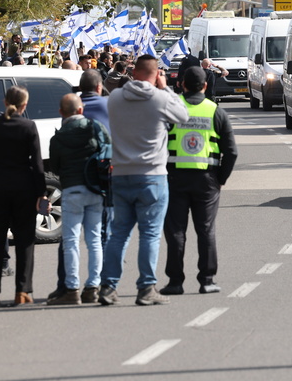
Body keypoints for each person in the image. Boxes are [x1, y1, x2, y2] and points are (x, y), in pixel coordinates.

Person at [100, 55, 188, 306]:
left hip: (120, 174)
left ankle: (108, 286)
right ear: (156, 73)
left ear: (134, 72)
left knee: (118, 235)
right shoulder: (160, 98)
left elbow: (114, 87)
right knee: (149, 235)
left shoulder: (115, 98)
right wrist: (165, 87)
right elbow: (182, 115)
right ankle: (146, 287)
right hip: (152, 175)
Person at [161, 67, 238, 296]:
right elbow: (231, 152)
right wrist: (220, 179)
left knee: (176, 232)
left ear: (182, 84)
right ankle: (207, 280)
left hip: (174, 178)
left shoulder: (172, 109)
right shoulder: (216, 111)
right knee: (206, 231)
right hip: (207, 180)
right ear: (205, 86)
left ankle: (175, 282)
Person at [47, 94, 110, 305]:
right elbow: (108, 150)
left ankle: (71, 289)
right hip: (95, 189)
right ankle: (93, 286)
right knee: (94, 240)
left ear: (61, 113)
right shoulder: (95, 128)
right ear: (81, 110)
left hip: (72, 191)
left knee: (71, 241)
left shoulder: (57, 138)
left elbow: (55, 167)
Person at [0, 86, 48, 306]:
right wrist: (42, 193)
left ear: (5, 102)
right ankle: (23, 291)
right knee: (25, 240)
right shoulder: (28, 126)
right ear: (24, 105)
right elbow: (36, 164)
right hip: (24, 190)